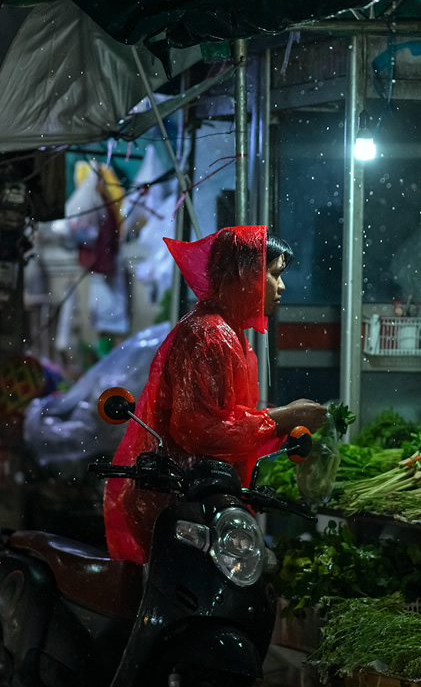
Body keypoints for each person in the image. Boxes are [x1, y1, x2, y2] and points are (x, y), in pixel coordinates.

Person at [104, 225, 327, 562]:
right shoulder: (208, 335)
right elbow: (200, 430)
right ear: (246, 274)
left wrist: (282, 418)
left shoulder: (229, 333)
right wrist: (283, 419)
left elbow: (229, 418)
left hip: (205, 507)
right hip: (181, 510)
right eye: (275, 274)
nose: (281, 286)